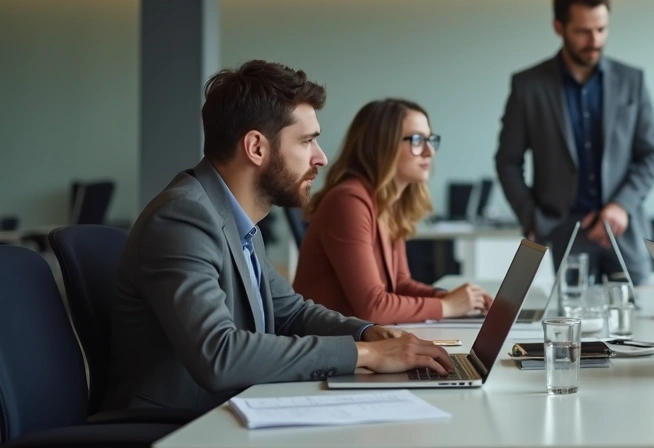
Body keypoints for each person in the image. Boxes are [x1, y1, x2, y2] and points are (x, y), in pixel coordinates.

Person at [102, 61, 453, 414]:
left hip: (234, 406)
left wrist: (368, 333)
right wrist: (367, 355)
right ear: (256, 147)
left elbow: (290, 312)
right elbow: (219, 354)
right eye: (307, 141)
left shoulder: (238, 220)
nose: (321, 157)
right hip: (180, 425)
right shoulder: (183, 218)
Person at [495, 0, 654, 284]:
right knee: (572, 325)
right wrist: (532, 220)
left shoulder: (632, 81)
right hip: (563, 233)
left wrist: (621, 205)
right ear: (559, 27)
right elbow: (507, 161)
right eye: (583, 31)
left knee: (639, 324)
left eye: (601, 29)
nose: (595, 40)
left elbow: (651, 154)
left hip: (625, 230)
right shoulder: (528, 86)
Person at [294, 98, 492, 323]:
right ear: (382, 145)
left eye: (430, 140)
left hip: (361, 340)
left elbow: (399, 284)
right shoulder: (348, 201)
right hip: (330, 347)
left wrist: (456, 300)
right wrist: (446, 306)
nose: (429, 151)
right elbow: (373, 306)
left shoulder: (386, 203)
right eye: (417, 140)